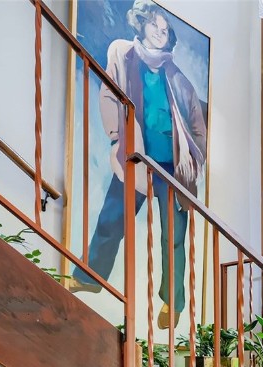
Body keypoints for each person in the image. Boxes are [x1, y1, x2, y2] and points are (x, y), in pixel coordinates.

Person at [67, 0, 207, 330]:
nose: (160, 31)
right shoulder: (124, 54)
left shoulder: (179, 79)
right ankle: (89, 277)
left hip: (173, 170)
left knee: (174, 236)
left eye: (165, 29)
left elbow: (197, 126)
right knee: (112, 217)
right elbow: (109, 94)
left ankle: (173, 302)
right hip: (136, 158)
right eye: (155, 24)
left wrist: (194, 158)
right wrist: (117, 137)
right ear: (141, 24)